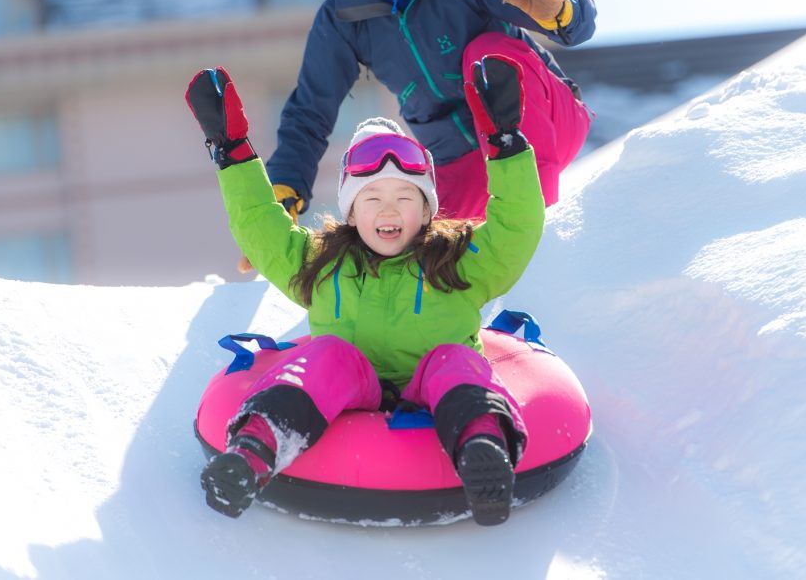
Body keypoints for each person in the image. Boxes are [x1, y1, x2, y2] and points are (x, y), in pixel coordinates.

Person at [185, 55, 543, 526]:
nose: (388, 210)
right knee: (326, 354)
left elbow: (517, 226)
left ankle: (482, 450)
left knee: (455, 359)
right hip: (347, 386)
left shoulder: (459, 262)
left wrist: (506, 144)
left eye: (405, 198)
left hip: (436, 383)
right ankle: (254, 452)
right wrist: (231, 151)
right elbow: (261, 228)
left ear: (427, 210)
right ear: (353, 213)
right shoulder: (323, 266)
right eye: (372, 198)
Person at [264, 0, 596, 230]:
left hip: (547, 124)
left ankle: (537, 220)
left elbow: (573, 8)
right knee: (405, 233)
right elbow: (310, 110)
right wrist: (284, 186)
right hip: (461, 166)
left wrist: (562, 12)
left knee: (487, 52)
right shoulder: (342, 18)